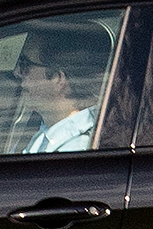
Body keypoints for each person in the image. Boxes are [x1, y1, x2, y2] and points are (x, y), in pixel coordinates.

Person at [13, 20, 114, 153]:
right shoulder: (49, 129)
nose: (17, 72)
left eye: (25, 65)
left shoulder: (77, 148)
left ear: (57, 78)